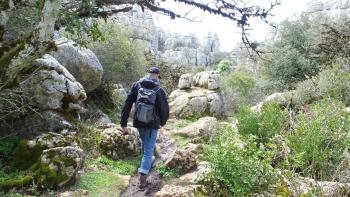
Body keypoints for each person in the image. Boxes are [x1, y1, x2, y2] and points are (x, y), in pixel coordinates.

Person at [120, 66, 169, 188]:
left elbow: (127, 103)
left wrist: (123, 123)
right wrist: (163, 122)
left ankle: (146, 163)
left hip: (139, 122)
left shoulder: (137, 85)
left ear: (148, 73)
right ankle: (142, 177)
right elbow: (164, 109)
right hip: (153, 124)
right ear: (157, 75)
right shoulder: (158, 89)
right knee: (148, 150)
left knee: (145, 143)